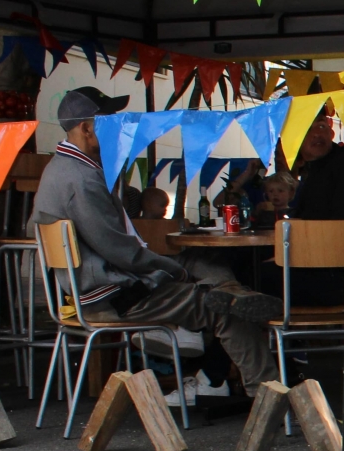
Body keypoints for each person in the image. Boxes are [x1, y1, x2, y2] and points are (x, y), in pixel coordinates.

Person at [33, 87, 280, 399]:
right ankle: (270, 398)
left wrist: (172, 266)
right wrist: (173, 272)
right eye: (111, 122)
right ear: (86, 128)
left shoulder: (65, 168)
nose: (120, 128)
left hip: (106, 281)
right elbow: (122, 252)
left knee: (204, 261)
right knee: (227, 310)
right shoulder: (81, 180)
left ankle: (236, 296)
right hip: (117, 294)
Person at [284, 111, 344, 306]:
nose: (316, 134)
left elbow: (333, 225)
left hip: (336, 277)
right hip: (326, 271)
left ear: (331, 132)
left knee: (249, 272)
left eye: (321, 126)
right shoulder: (316, 170)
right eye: (308, 129)